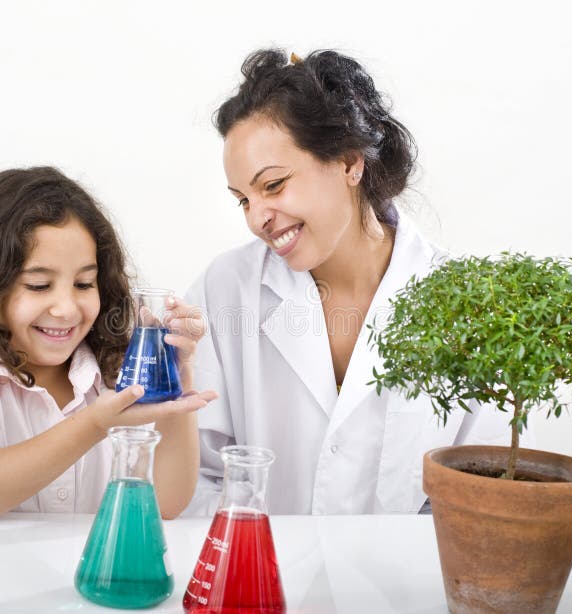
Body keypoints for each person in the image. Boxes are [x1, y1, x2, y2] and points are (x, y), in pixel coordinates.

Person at [183, 49, 521, 516]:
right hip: (263, 581)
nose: (258, 217)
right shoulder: (223, 290)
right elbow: (194, 477)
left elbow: (487, 490)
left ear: (348, 162)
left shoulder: (467, 304)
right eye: (242, 200)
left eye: (274, 185)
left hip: (409, 583)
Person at [0, 166, 216, 522]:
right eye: (39, 286)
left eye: (85, 284)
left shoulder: (109, 370)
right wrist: (96, 423)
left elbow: (166, 503)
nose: (66, 308)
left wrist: (178, 380)